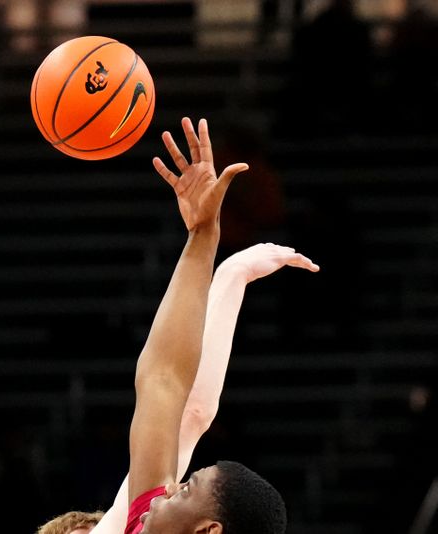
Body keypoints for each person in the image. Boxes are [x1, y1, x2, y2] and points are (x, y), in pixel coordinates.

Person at [38, 117, 319, 534]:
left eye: (186, 489)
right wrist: (209, 244)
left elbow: (176, 397)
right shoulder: (144, 520)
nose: (170, 487)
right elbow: (170, 390)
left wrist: (217, 255)